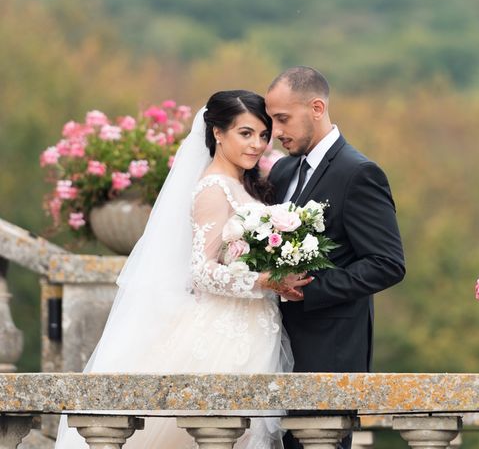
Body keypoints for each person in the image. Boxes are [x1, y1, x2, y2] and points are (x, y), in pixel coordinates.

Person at [54, 90, 304, 449]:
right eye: (245, 133)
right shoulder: (213, 189)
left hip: (252, 326)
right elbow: (200, 272)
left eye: (263, 135)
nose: (257, 145)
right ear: (218, 133)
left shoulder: (240, 184)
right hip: (224, 332)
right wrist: (263, 280)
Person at [265, 66, 406, 449]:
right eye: (272, 121)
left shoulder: (359, 173)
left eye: (282, 119)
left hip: (330, 349)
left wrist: (308, 289)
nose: (276, 132)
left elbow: (387, 263)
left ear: (316, 107)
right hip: (274, 347)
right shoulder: (282, 170)